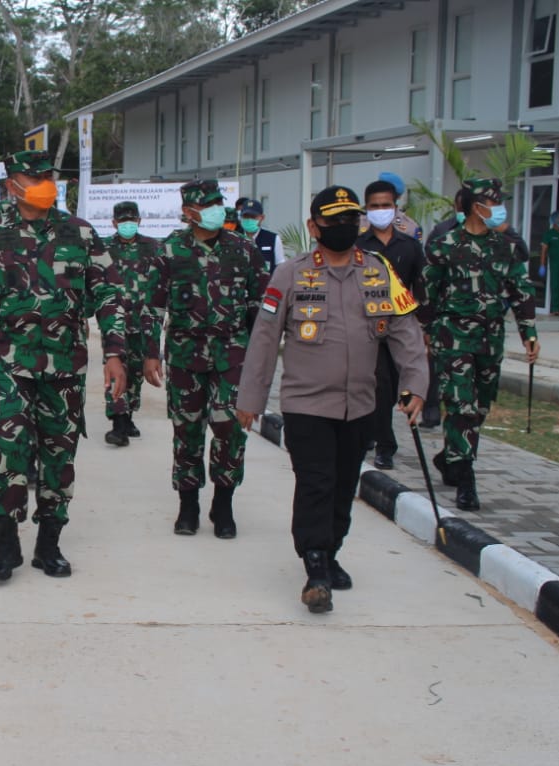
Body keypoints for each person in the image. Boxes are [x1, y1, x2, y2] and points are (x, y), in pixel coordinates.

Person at [237, 186, 427, 614]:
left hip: (360, 402)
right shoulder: (290, 275)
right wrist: (251, 397)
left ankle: (332, 549)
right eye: (334, 221)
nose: (344, 227)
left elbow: (405, 332)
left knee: (344, 484)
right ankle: (315, 564)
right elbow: (265, 339)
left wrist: (414, 383)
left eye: (350, 219)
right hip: (306, 404)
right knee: (316, 482)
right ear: (313, 227)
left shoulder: (378, 272)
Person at [0, 149, 127, 582]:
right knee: (7, 453)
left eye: (49, 175)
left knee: (59, 457)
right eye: (35, 176)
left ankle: (49, 544)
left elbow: (108, 295)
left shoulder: (81, 234)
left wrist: (116, 353)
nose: (45, 182)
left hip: (65, 367)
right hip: (8, 366)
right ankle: (5, 544)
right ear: (13, 185)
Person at [143, 179, 269, 538]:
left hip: (232, 354)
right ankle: (188, 505)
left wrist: (258, 361)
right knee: (187, 431)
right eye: (208, 203)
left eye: (218, 201)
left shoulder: (243, 251)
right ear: (189, 212)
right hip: (185, 353)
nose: (217, 208)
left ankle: (224, 503)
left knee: (230, 430)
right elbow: (153, 306)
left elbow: (260, 309)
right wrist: (151, 353)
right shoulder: (169, 251)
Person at [424, 178, 540, 511]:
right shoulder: (444, 245)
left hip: (490, 339)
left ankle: (450, 458)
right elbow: (427, 293)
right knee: (462, 406)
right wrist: (427, 331)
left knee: (481, 407)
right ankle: (465, 479)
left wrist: (529, 333)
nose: (500, 208)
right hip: (453, 338)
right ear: (478, 206)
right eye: (495, 202)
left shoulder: (504, 247)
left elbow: (521, 290)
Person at [357, 178, 427, 470]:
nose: (381, 211)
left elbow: (420, 289)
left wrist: (425, 329)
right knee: (375, 385)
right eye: (375, 206)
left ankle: (382, 440)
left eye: (386, 205)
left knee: (393, 386)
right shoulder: (358, 246)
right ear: (366, 210)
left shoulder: (409, 246)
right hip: (367, 327)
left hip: (400, 327)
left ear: (395, 208)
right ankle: (379, 442)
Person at [103, 200, 161, 447]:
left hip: (143, 319)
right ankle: (117, 420)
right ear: (114, 223)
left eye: (132, 220)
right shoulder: (105, 248)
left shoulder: (152, 247)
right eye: (122, 221)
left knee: (137, 371)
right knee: (116, 368)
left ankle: (129, 415)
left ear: (139, 221)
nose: (128, 224)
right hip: (114, 320)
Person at [238, 200, 285, 274]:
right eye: (246, 216)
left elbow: (280, 269)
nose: (249, 219)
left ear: (262, 217)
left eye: (253, 217)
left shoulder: (273, 239)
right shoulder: (234, 238)